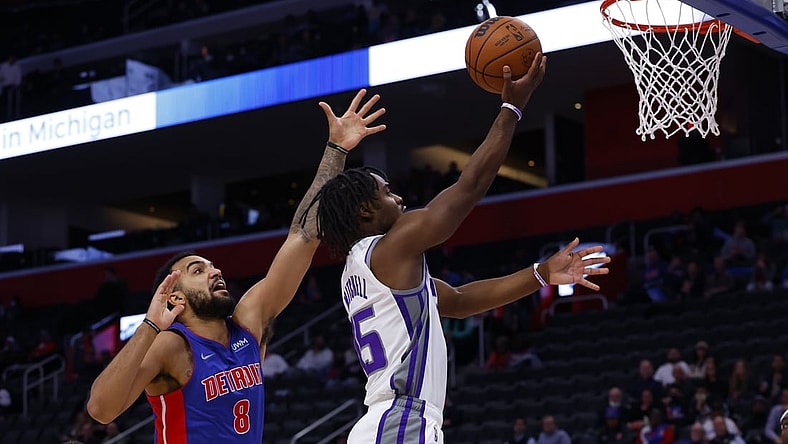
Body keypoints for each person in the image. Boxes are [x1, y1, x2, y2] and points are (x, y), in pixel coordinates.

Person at [306, 55, 610, 443]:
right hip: (402, 421)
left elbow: (461, 300)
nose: (398, 199)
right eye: (387, 193)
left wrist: (542, 274)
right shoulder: (390, 248)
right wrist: (512, 107)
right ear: (365, 210)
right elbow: (470, 186)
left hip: (392, 421)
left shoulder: (361, 268)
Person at [84, 88, 387, 442]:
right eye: (198, 271)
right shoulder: (171, 346)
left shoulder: (247, 324)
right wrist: (151, 325)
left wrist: (336, 151)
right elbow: (101, 410)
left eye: (212, 266)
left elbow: (303, 235)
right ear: (175, 298)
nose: (215, 271)